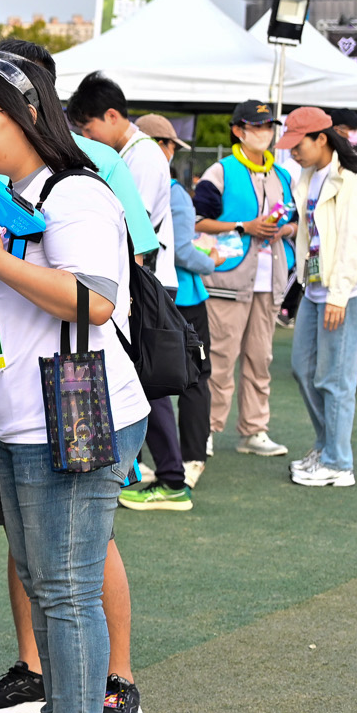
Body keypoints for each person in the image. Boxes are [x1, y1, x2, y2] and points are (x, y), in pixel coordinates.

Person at [0, 53, 148, 713]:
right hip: (26, 415)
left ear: (28, 115)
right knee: (47, 583)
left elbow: (95, 301)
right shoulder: (12, 194)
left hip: (74, 410)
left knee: (65, 589)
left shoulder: (76, 194)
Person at [67, 76, 187, 510]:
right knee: (138, 377)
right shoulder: (132, 154)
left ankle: (171, 477)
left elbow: (135, 232)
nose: (86, 138)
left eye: (88, 128)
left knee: (147, 378)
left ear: (112, 116)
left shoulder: (141, 157)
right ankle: (150, 471)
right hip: (131, 280)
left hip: (140, 281)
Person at [281, 107, 357, 488]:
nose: (293, 152)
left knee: (334, 379)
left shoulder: (351, 179)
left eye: (298, 144)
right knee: (303, 368)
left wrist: (338, 295)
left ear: (322, 139)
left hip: (348, 291)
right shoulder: (309, 176)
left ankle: (339, 463)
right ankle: (327, 448)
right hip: (315, 288)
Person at [194, 100, 296, 458]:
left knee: (260, 358)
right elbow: (197, 221)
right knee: (220, 359)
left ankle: (254, 429)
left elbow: (296, 221)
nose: (265, 132)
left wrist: (283, 229)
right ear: (238, 130)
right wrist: (243, 226)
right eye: (258, 126)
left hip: (270, 281)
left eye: (269, 126)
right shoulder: (220, 171)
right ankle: (206, 430)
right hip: (227, 279)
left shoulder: (283, 175)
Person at [125, 115, 213, 501]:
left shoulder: (163, 182)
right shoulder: (166, 182)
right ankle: (167, 467)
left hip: (165, 294)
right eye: (170, 144)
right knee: (158, 379)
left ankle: (176, 472)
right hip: (171, 293)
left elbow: (176, 248)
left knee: (163, 379)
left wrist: (211, 263)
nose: (171, 152)